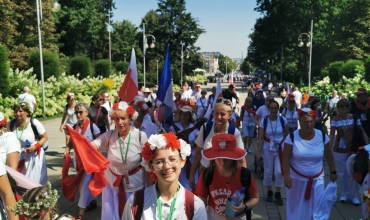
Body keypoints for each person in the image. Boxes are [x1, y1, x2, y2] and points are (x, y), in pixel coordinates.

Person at [122, 132, 206, 219]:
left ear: (182, 161)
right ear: (151, 166)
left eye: (172, 159)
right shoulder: (136, 202)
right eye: (159, 161)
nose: (167, 166)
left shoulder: (195, 206)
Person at [91, 101, 149, 220]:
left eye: (123, 118)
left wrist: (150, 189)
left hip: (135, 186)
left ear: (130, 119)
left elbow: (148, 164)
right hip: (112, 187)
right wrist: (77, 140)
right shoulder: (110, 135)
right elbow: (92, 146)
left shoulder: (140, 136)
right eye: (116, 119)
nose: (120, 123)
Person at [282, 108, 338, 219]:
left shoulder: (322, 136)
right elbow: (285, 158)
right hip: (296, 180)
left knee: (318, 206)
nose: (309, 125)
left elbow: (329, 155)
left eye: (311, 122)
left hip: (317, 179)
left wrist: (333, 171)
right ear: (300, 122)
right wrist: (287, 175)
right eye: (306, 122)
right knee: (296, 206)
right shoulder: (292, 137)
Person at [194, 134, 259, 220]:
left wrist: (245, 207)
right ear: (213, 157)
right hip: (213, 216)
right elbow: (201, 200)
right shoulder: (207, 175)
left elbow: (255, 197)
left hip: (238, 217)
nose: (223, 162)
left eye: (227, 157)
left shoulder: (244, 174)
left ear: (233, 157)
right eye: (218, 157)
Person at [188, 99, 247, 189]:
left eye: (223, 114)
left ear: (229, 115)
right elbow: (198, 153)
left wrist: (244, 180)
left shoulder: (234, 132)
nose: (219, 117)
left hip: (226, 176)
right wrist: (191, 175)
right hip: (205, 173)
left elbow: (241, 159)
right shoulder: (205, 128)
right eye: (216, 113)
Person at [64, 102, 101, 219]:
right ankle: (92, 201)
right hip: (78, 162)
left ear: (87, 113)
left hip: (89, 163)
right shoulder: (75, 126)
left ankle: (81, 214)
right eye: (76, 112)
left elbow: (100, 142)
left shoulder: (92, 127)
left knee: (85, 185)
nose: (78, 115)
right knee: (82, 185)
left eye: (80, 112)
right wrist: (67, 148)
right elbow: (71, 142)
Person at [330, 98, 368, 205]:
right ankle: (344, 194)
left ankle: (354, 195)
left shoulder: (354, 118)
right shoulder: (335, 120)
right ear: (337, 108)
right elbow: (332, 135)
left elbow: (362, 130)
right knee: (342, 174)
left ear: (349, 107)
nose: (343, 108)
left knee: (355, 172)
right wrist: (327, 148)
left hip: (353, 149)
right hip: (339, 150)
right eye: (341, 106)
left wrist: (367, 145)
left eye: (346, 106)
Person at [256, 100, 288, 205]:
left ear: (278, 109)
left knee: (279, 171)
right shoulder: (264, 120)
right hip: (267, 148)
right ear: (268, 109)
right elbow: (260, 137)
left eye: (275, 108)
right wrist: (258, 153)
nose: (274, 110)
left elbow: (287, 135)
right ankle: (269, 191)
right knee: (268, 171)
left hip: (280, 149)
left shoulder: (283, 120)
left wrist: (288, 151)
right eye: (272, 108)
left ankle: (278, 192)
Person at [9, 102, 48, 184]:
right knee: (19, 182)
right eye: (16, 111)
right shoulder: (11, 124)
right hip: (18, 156)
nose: (18, 113)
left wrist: (36, 146)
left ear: (27, 112)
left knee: (33, 182)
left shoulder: (34, 123)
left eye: (20, 111)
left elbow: (45, 137)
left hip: (33, 156)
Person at [170, 105, 199, 190]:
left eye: (186, 114)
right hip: (177, 158)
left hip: (191, 160)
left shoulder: (195, 129)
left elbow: (200, 143)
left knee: (192, 179)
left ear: (190, 116)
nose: (183, 116)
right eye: (182, 114)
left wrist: (191, 145)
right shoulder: (174, 128)